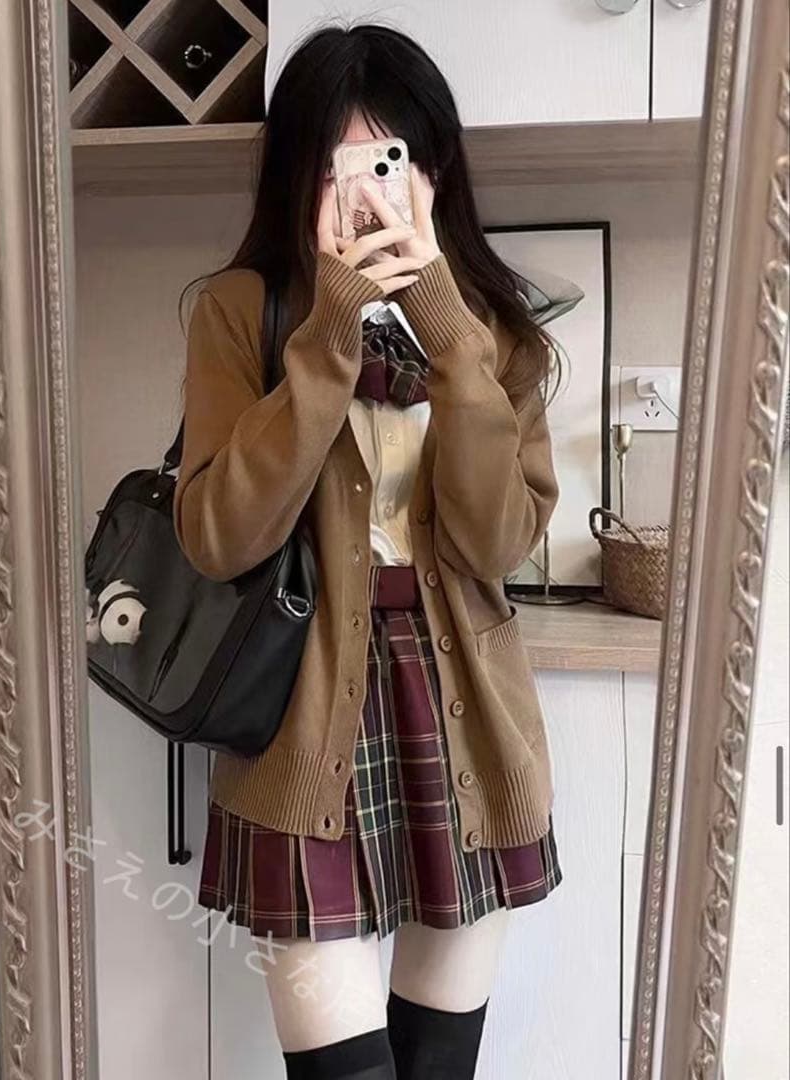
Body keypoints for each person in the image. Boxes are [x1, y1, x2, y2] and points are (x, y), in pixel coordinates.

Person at [174, 23, 562, 1080]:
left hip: (468, 728)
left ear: (434, 172)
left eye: (389, 162)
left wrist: (446, 329)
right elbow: (218, 537)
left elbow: (497, 541)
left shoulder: (495, 333)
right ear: (298, 177)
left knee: (438, 1067)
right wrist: (329, 334)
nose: (366, 194)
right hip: (302, 734)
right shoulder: (239, 313)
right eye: (336, 166)